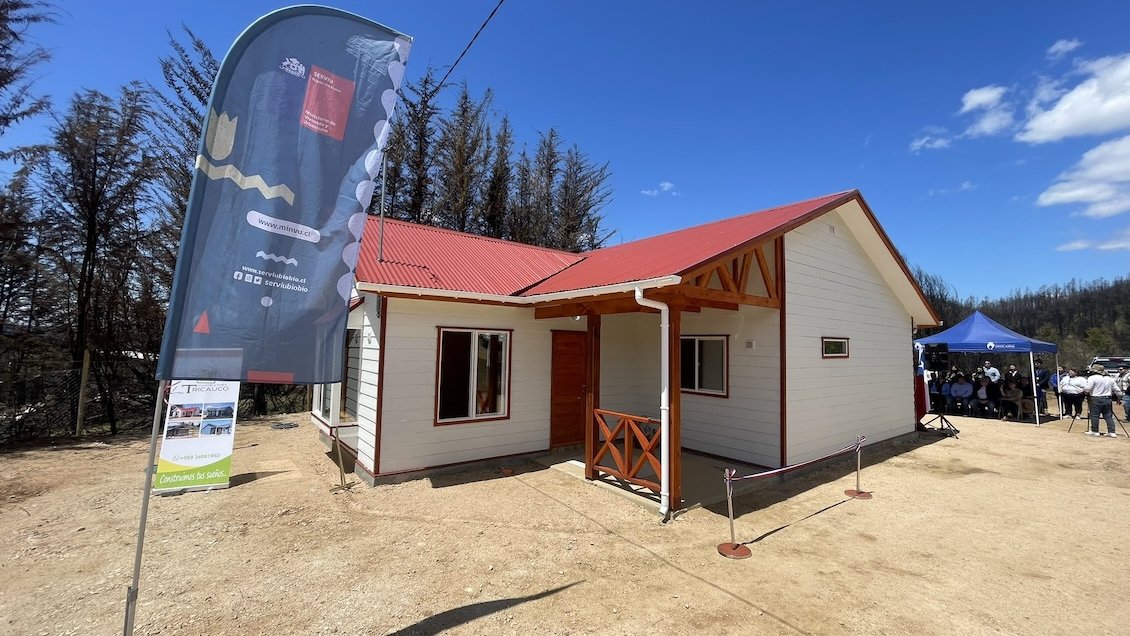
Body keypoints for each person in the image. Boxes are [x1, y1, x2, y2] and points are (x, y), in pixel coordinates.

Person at [1084, 364, 1119, 437]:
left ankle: (1095, 431)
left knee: (1094, 415)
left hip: (1096, 398)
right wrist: (1119, 398)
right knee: (1108, 416)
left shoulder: (1092, 378)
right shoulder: (1110, 379)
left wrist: (1085, 393)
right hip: (1108, 399)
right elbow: (1117, 390)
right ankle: (1112, 432)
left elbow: (1087, 389)